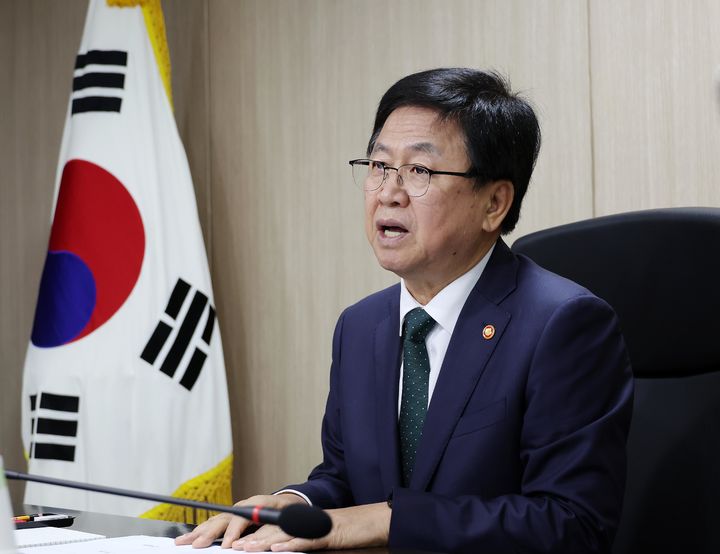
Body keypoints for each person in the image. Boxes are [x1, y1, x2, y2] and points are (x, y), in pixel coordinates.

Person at [176, 68, 634, 553]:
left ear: (494, 203)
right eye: (378, 166)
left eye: (419, 171)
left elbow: (572, 525)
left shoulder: (562, 325)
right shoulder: (361, 326)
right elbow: (345, 480)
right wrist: (292, 502)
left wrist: (389, 520)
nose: (387, 193)